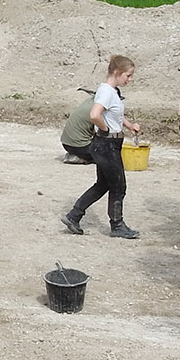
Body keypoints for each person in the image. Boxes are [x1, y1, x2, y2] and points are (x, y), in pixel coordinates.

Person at [61, 55, 143, 240]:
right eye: (128, 76)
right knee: (118, 186)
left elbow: (111, 113)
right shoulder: (107, 92)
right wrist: (106, 130)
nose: (129, 80)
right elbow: (95, 115)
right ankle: (117, 225)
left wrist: (129, 125)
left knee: (103, 184)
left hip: (106, 144)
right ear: (117, 72)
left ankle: (74, 216)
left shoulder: (109, 91)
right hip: (107, 145)